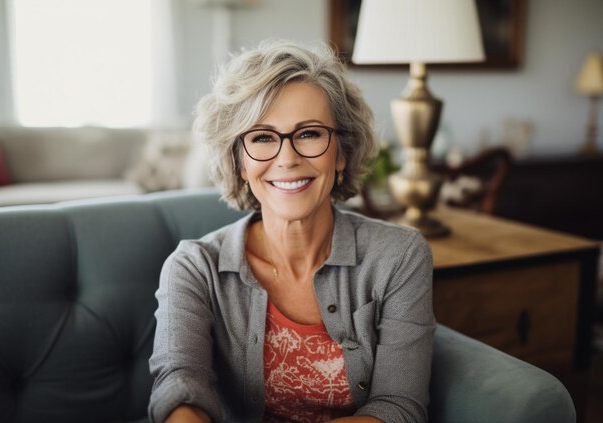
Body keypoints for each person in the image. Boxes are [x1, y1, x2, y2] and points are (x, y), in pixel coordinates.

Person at [148, 39, 435, 423]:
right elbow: (180, 384)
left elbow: (399, 407)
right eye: (263, 137)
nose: (287, 159)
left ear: (342, 152)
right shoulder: (194, 267)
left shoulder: (400, 256)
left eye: (310, 133)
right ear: (238, 163)